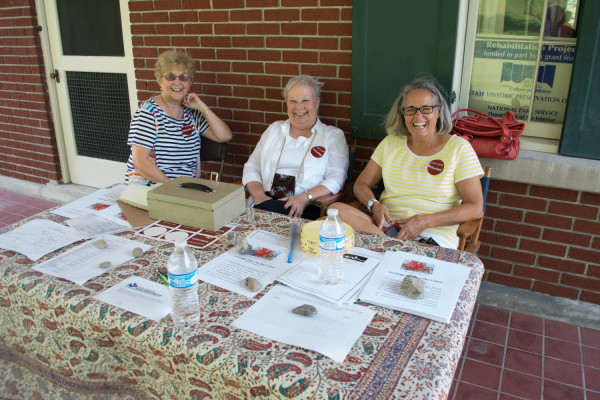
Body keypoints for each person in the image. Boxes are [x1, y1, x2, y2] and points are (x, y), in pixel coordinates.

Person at [330, 76, 484, 248]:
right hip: (386, 229)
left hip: (432, 236)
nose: (418, 116)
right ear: (402, 114)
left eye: (426, 109)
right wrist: (374, 205)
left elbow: (475, 208)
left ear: (439, 111)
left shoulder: (458, 148)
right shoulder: (390, 143)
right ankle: (391, 247)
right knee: (335, 210)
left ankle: (388, 248)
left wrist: (424, 221)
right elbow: (361, 184)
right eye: (410, 109)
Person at [242, 75, 349, 220]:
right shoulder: (274, 130)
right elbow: (252, 166)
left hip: (304, 206)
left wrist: (305, 197)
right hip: (264, 202)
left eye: (305, 100)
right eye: (293, 101)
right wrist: (259, 196)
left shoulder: (332, 136)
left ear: (316, 102)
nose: (299, 107)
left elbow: (336, 179)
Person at [125, 50, 232, 184]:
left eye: (183, 77)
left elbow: (225, 136)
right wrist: (173, 188)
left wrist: (202, 107)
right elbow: (140, 161)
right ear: (159, 80)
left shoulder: (191, 113)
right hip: (151, 189)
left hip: (184, 189)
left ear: (190, 82)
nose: (177, 82)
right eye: (170, 77)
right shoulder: (148, 113)